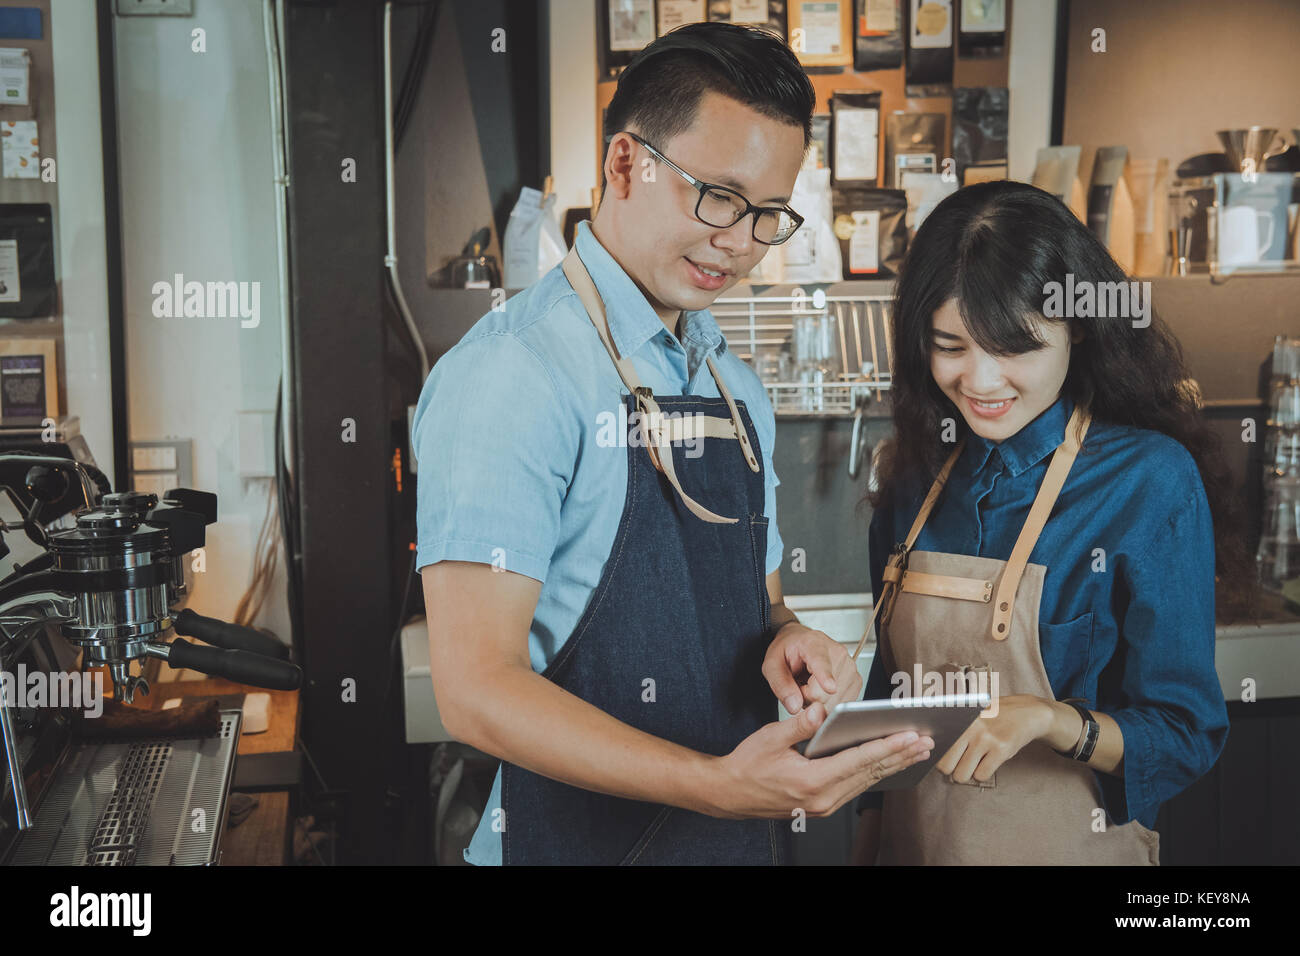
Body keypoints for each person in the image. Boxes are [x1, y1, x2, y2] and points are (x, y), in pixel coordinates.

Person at [413, 22, 931, 866]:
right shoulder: (516, 373)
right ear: (626, 164)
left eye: (768, 215)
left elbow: (756, 607)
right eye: (719, 198)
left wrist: (788, 642)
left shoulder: (731, 379)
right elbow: (475, 691)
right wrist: (713, 783)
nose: (739, 242)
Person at [849, 180, 1253, 865]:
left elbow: (1186, 733)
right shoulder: (915, 476)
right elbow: (892, 694)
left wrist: (1052, 720)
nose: (979, 381)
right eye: (950, 345)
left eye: (1014, 348)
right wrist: (863, 834)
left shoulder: (1148, 480)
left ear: (1080, 328)